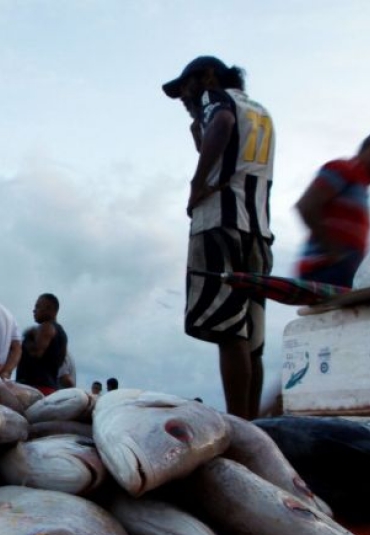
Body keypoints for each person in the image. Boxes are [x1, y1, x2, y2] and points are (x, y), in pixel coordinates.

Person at [163, 55, 275, 420]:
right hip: (259, 231)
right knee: (251, 340)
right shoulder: (260, 111)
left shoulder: (217, 98)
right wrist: (199, 130)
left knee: (229, 332)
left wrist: (197, 186)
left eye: (185, 88)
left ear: (207, 77)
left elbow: (222, 123)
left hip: (220, 225)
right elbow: (234, 150)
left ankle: (239, 426)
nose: (184, 98)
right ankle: (254, 424)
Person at [295, 129, 370, 287]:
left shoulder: (363, 185)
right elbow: (307, 205)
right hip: (325, 268)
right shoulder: (343, 169)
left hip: (346, 268)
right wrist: (333, 252)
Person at [16, 293, 68, 394]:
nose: (34, 310)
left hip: (34, 389)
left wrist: (25, 339)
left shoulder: (46, 326)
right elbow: (61, 362)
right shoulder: (62, 333)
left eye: (38, 306)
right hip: (50, 387)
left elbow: (36, 352)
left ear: (49, 308)